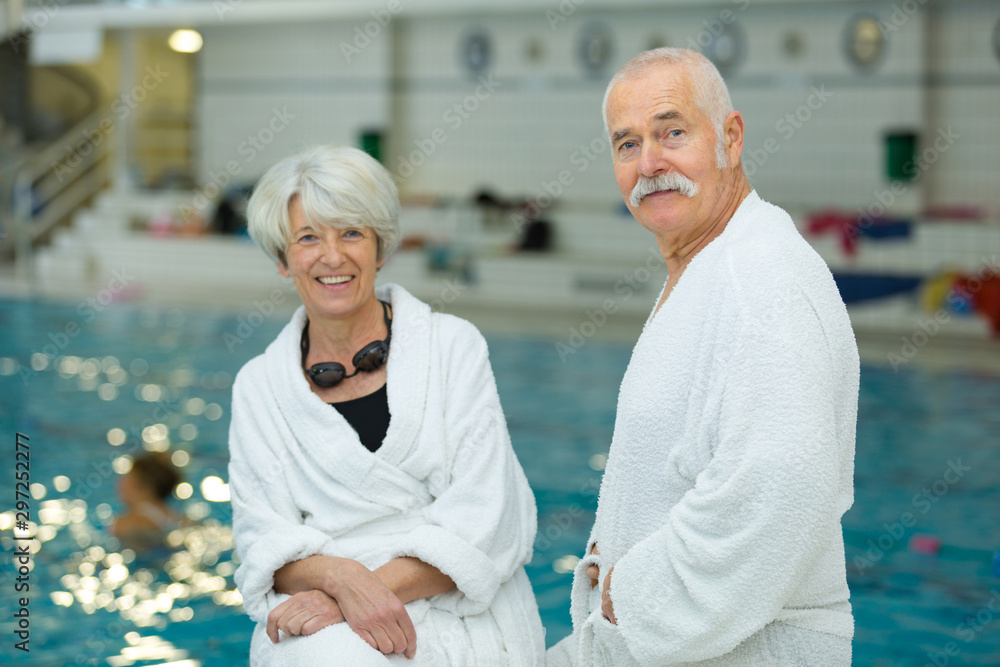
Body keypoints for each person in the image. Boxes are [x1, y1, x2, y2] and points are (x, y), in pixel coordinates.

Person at [548, 47, 859, 666]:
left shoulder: (759, 276)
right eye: (627, 144)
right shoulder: (709, 267)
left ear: (731, 137)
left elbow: (782, 487)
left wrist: (632, 594)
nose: (650, 163)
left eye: (672, 132)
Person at [228, 145, 545, 665]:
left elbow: (489, 515)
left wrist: (360, 594)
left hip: (453, 606)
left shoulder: (452, 347)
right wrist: (339, 578)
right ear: (283, 260)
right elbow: (264, 540)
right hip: (319, 616)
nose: (332, 257)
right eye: (308, 238)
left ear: (382, 248)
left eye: (351, 233)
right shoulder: (258, 386)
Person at [112, 452, 185, 551]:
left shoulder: (125, 524)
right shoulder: (179, 519)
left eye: (126, 477)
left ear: (138, 484)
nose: (120, 483)